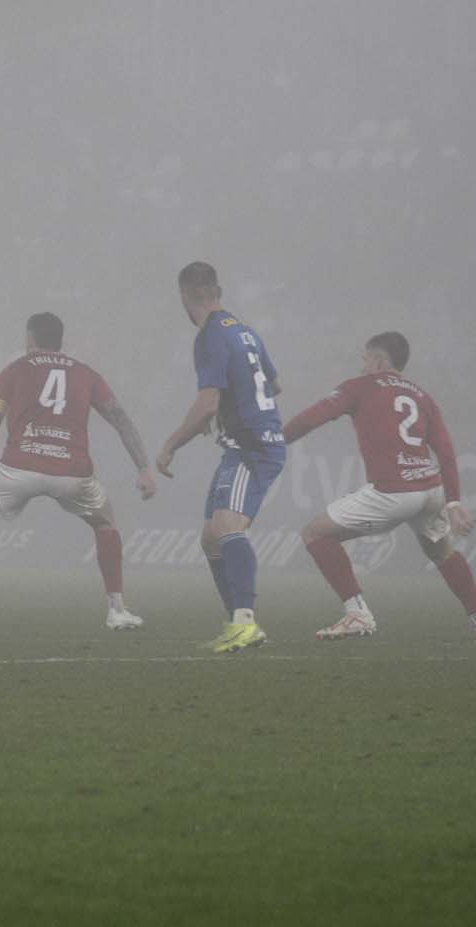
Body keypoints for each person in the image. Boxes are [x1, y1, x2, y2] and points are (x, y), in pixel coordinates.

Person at [0, 312, 156, 630]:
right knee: (105, 523)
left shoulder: (14, 370)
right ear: (60, 341)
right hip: (72, 472)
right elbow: (119, 418)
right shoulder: (86, 373)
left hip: (19, 467)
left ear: (30, 339)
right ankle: (117, 609)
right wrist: (144, 469)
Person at [282, 331, 476, 644]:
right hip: (430, 489)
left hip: (395, 492)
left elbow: (313, 417)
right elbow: (446, 451)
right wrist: (453, 502)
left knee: (315, 533)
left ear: (379, 361)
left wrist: (277, 440)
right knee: (442, 553)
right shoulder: (422, 396)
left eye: (365, 359)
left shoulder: (359, 386)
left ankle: (357, 613)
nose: (362, 366)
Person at [156, 262, 283, 653]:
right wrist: (230, 404)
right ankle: (237, 625)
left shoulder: (210, 335)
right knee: (211, 538)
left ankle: (245, 623)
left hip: (252, 445)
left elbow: (207, 404)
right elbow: (274, 384)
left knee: (228, 525)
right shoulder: (244, 330)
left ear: (188, 294)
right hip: (247, 440)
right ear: (217, 290)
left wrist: (171, 445)